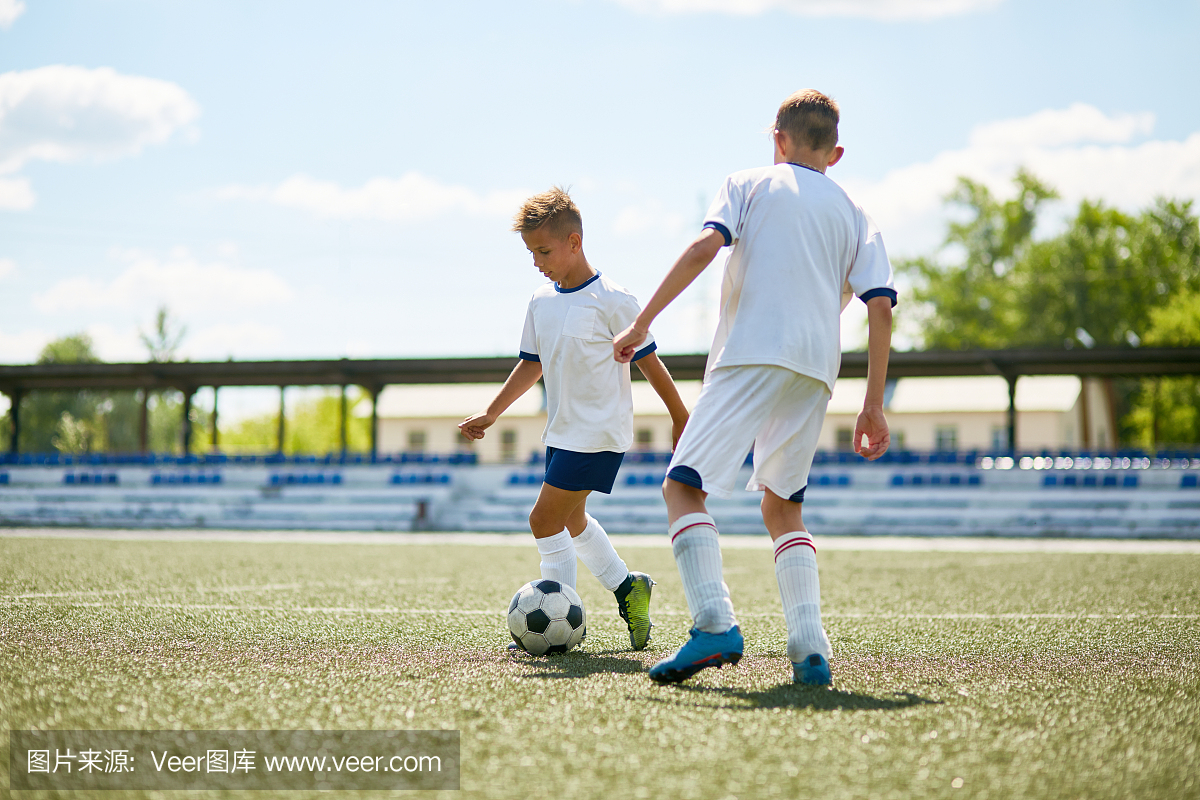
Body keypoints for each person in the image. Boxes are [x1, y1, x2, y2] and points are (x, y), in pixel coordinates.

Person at [612, 89, 896, 685]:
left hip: (750, 356)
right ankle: (809, 647)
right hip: (816, 368)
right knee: (783, 507)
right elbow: (879, 308)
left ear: (777, 139)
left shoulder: (748, 183)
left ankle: (714, 624)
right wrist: (872, 406)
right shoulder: (854, 212)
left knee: (683, 488)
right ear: (835, 152)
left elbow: (703, 248)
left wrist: (643, 323)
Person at [461, 187, 690, 652]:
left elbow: (649, 363)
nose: (537, 261)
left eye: (543, 250)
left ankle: (560, 625)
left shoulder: (615, 300)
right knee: (572, 521)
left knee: (543, 520)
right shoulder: (540, 301)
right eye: (530, 253)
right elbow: (532, 363)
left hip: (599, 433)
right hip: (562, 432)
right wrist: (492, 412)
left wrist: (680, 416)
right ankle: (629, 588)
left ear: (574, 242)